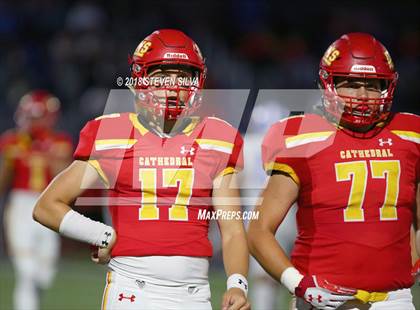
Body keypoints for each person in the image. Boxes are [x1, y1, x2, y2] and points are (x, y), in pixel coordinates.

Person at [33, 29, 250, 310]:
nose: (173, 86)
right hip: (131, 288)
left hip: (194, 294)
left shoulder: (217, 137)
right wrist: (100, 233)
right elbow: (47, 206)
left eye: (183, 76)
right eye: (162, 76)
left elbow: (232, 228)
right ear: (141, 79)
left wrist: (237, 284)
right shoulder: (113, 134)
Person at [248, 32, 419, 310]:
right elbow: (258, 231)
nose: (362, 96)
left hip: (394, 300)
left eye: (373, 85)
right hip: (325, 301)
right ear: (329, 86)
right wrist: (300, 284)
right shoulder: (302, 138)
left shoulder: (410, 135)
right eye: (351, 85)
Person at [0, 90, 73, 310]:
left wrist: (45, 152)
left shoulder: (59, 141)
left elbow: (65, 175)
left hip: (48, 202)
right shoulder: (13, 141)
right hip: (21, 205)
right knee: (27, 270)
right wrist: (10, 158)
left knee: (45, 273)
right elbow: (3, 180)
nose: (32, 121)